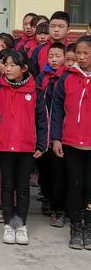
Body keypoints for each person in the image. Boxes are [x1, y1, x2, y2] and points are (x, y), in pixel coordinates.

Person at [0, 50, 48, 245]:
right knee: (7, 185)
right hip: (4, 146)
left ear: (24, 68)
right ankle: (8, 224)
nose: (8, 68)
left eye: (13, 65)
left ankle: (20, 224)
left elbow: (42, 121)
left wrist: (41, 144)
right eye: (6, 64)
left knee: (22, 187)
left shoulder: (35, 92)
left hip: (26, 147)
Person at [51, 36, 91, 250]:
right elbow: (56, 109)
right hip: (72, 142)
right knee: (75, 184)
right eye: (79, 53)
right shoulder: (67, 77)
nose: (82, 57)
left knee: (89, 186)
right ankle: (76, 225)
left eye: (87, 53)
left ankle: (89, 225)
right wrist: (56, 137)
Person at [35, 42, 67, 227]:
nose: (54, 59)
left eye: (58, 56)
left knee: (59, 172)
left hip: (61, 132)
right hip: (43, 131)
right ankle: (47, 198)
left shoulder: (67, 77)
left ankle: (58, 208)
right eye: (51, 56)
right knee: (44, 170)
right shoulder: (42, 78)